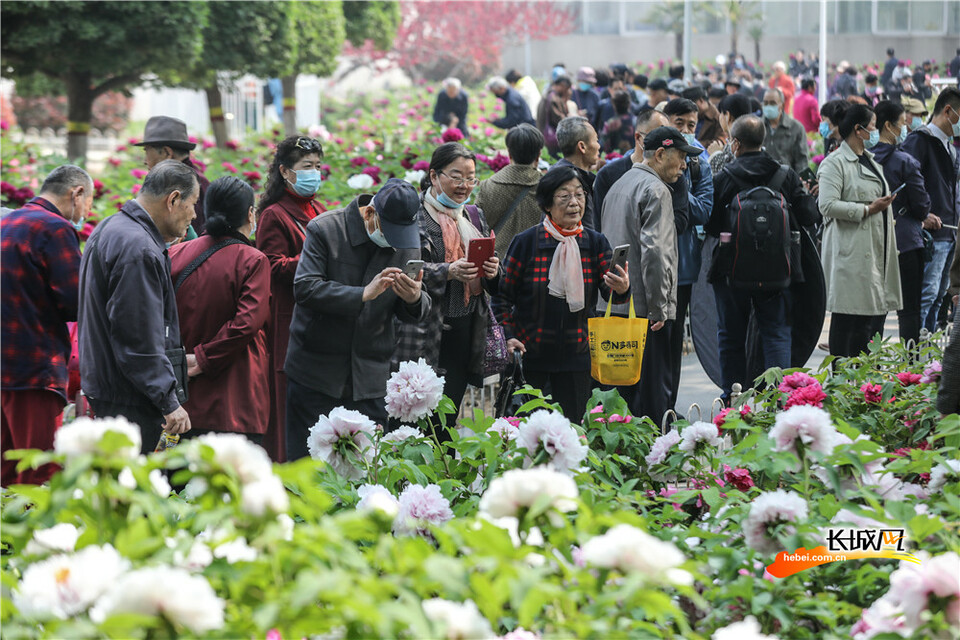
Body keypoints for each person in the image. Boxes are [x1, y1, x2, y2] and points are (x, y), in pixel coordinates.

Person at [285, 178, 430, 460]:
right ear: (370, 213)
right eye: (389, 232)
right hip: (317, 373)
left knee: (366, 471)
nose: (394, 242)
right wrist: (362, 293)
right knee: (307, 470)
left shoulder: (406, 244)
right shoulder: (326, 229)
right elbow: (305, 288)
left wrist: (414, 298)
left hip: (370, 377)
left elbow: (413, 310)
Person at [79, 160, 198, 453]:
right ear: (173, 199)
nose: (194, 216)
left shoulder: (112, 226)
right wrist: (168, 401)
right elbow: (138, 338)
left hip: (108, 386)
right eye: (193, 204)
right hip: (128, 396)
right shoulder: (138, 247)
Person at [496, 165, 629, 422]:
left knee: (573, 430)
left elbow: (610, 292)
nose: (574, 203)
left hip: (576, 358)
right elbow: (502, 297)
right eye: (564, 196)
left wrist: (622, 288)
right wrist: (509, 337)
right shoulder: (526, 243)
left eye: (579, 195)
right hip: (531, 358)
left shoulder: (594, 242)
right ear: (547, 203)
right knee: (529, 434)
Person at [705, 115, 819, 399]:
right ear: (764, 140)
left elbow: (711, 224)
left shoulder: (725, 177)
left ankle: (732, 395)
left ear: (735, 143)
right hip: (778, 272)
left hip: (732, 271)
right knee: (777, 331)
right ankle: (776, 396)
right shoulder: (784, 175)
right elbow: (809, 215)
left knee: (730, 335)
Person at [392, 144, 500, 428]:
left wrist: (491, 271)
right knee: (415, 416)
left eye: (470, 178)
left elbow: (490, 275)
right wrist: (448, 271)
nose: (464, 185)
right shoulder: (414, 216)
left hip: (464, 331)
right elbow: (405, 269)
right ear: (434, 176)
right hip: (424, 332)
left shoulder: (473, 216)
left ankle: (446, 470)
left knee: (448, 417)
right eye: (456, 177)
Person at [601, 126, 700, 426]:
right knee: (652, 399)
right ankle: (652, 464)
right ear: (660, 154)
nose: (684, 166)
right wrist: (661, 307)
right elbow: (655, 254)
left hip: (618, 305)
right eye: (681, 157)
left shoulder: (619, 183)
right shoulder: (656, 190)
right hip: (645, 311)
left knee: (621, 400)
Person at [1, 165, 91, 485]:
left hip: (5, 366)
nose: (85, 213)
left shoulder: (6, 221)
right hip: (34, 368)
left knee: (6, 470)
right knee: (38, 471)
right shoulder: (55, 228)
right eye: (88, 204)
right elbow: (75, 299)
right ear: (76, 194)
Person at [169, 177, 270, 444]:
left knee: (180, 485)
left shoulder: (175, 255)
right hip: (236, 404)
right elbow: (247, 323)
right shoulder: (253, 260)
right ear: (250, 214)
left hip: (182, 401)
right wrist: (203, 359)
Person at [255, 135, 325, 462]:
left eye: (317, 166)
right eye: (306, 167)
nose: (315, 172)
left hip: (320, 318)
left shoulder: (318, 208)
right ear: (285, 172)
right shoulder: (274, 214)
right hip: (290, 322)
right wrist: (316, 260)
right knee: (289, 408)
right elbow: (270, 266)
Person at [817, 103, 901, 357]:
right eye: (873, 127)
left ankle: (863, 388)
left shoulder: (870, 159)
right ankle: (842, 386)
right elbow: (827, 205)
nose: (875, 132)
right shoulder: (836, 163)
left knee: (865, 326)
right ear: (859, 129)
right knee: (845, 324)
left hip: (872, 252)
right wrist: (867, 209)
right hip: (849, 255)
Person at [661, 98, 714, 413]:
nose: (684, 131)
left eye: (691, 126)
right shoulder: (640, 159)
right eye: (678, 123)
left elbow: (704, 210)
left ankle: (668, 404)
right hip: (641, 267)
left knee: (673, 338)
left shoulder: (696, 163)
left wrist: (677, 191)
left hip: (683, 264)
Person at [870, 100, 933, 348]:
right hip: (905, 242)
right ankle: (911, 372)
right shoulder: (905, 161)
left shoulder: (864, 160)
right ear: (888, 126)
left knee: (875, 311)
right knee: (909, 312)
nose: (904, 129)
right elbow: (922, 206)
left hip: (874, 243)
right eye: (901, 124)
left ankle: (870, 368)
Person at [902, 87, 960, 334]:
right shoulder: (919, 141)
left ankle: (927, 361)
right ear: (948, 111)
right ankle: (916, 361)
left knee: (938, 298)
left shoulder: (950, 147)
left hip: (950, 233)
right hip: (931, 235)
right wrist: (922, 217)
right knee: (925, 298)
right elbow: (905, 185)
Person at [475, 123, 544, 255]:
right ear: (538, 155)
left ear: (509, 153)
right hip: (536, 262)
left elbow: (477, 229)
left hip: (497, 264)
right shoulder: (548, 188)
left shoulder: (487, 186)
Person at [135, 116, 210, 234]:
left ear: (167, 152)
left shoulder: (187, 184)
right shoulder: (195, 179)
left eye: (147, 152)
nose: (145, 161)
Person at [594, 109, 670, 217]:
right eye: (657, 137)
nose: (662, 144)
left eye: (667, 138)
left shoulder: (671, 174)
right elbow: (599, 222)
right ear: (638, 137)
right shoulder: (608, 175)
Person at [553, 116, 601, 230]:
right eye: (596, 140)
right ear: (582, 147)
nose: (599, 146)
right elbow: (587, 231)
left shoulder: (556, 173)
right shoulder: (572, 182)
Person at [761, 88, 810, 174]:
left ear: (782, 105)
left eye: (772, 103)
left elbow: (802, 161)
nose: (768, 106)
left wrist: (799, 184)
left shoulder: (796, 128)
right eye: (765, 103)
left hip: (786, 181)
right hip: (761, 181)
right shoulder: (757, 127)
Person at [707, 93, 754, 174]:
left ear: (727, 116)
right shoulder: (752, 138)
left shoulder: (736, 143)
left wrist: (715, 154)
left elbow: (726, 176)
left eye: (721, 113)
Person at [537, 75, 575, 156]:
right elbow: (560, 120)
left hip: (545, 136)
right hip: (553, 139)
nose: (568, 91)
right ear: (562, 85)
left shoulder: (548, 94)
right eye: (567, 88)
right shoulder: (553, 98)